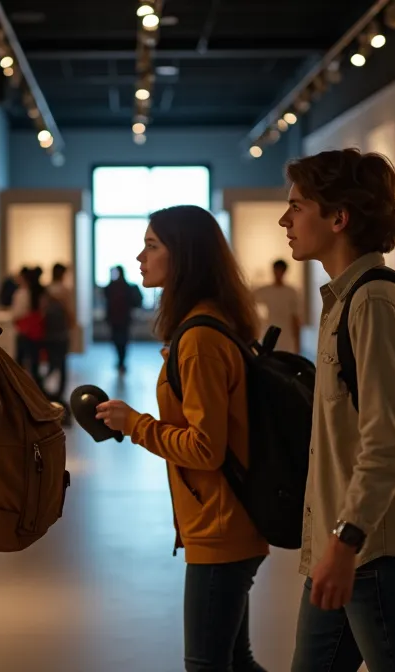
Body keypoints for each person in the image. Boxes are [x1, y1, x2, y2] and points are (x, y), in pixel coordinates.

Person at [279, 148, 395, 672]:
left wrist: (346, 542)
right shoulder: (345, 302)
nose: (285, 219)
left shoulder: (373, 304)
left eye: (297, 206)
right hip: (347, 548)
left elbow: (387, 441)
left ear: (338, 217)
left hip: (377, 552)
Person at [96, 205, 270, 672]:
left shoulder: (199, 340)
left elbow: (204, 449)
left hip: (221, 523)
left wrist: (135, 424)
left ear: (184, 257)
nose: (140, 256)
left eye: (152, 246)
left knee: (207, 664)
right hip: (227, 517)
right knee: (234, 659)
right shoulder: (209, 324)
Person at [252, 259, 305, 354]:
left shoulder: (291, 292)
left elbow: (295, 318)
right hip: (271, 333)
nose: (278, 273)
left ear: (284, 271)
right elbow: (250, 298)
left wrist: (298, 343)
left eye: (280, 270)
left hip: (287, 336)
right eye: (276, 270)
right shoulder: (266, 290)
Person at [11, 266, 47, 392]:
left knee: (20, 363)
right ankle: (37, 391)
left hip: (24, 331)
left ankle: (22, 391)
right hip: (35, 332)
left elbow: (16, 314)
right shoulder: (39, 292)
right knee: (34, 363)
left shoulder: (22, 293)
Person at [43, 262, 75, 406]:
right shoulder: (64, 290)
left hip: (49, 333)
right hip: (61, 333)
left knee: (51, 363)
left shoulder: (47, 290)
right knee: (61, 364)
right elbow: (69, 311)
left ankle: (44, 388)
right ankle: (60, 394)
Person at [103, 264, 142, 373]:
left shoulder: (123, 287)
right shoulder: (114, 287)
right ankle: (120, 361)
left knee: (121, 341)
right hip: (118, 319)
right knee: (119, 340)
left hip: (121, 319)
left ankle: (121, 361)